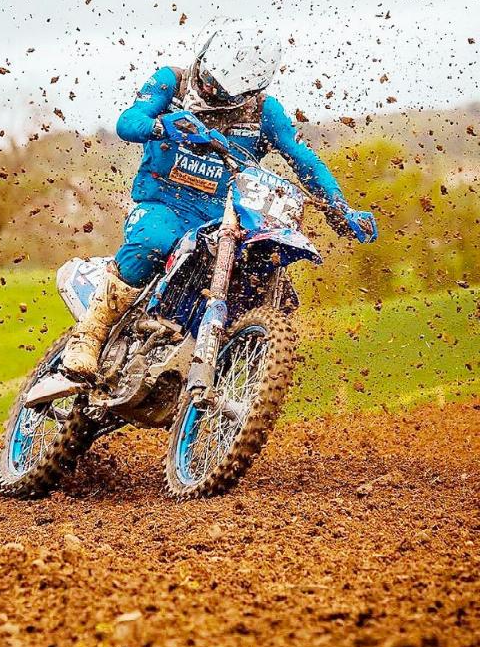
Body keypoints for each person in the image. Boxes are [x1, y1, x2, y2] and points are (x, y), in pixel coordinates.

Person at [62, 19, 378, 378]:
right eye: (209, 80)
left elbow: (304, 159)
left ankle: (235, 379)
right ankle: (87, 337)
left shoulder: (263, 112)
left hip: (222, 218)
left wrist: (340, 207)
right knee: (155, 240)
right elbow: (128, 121)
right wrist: (163, 125)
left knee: (267, 278)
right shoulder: (173, 82)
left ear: (248, 91)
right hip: (165, 205)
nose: (211, 91)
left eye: (222, 92)